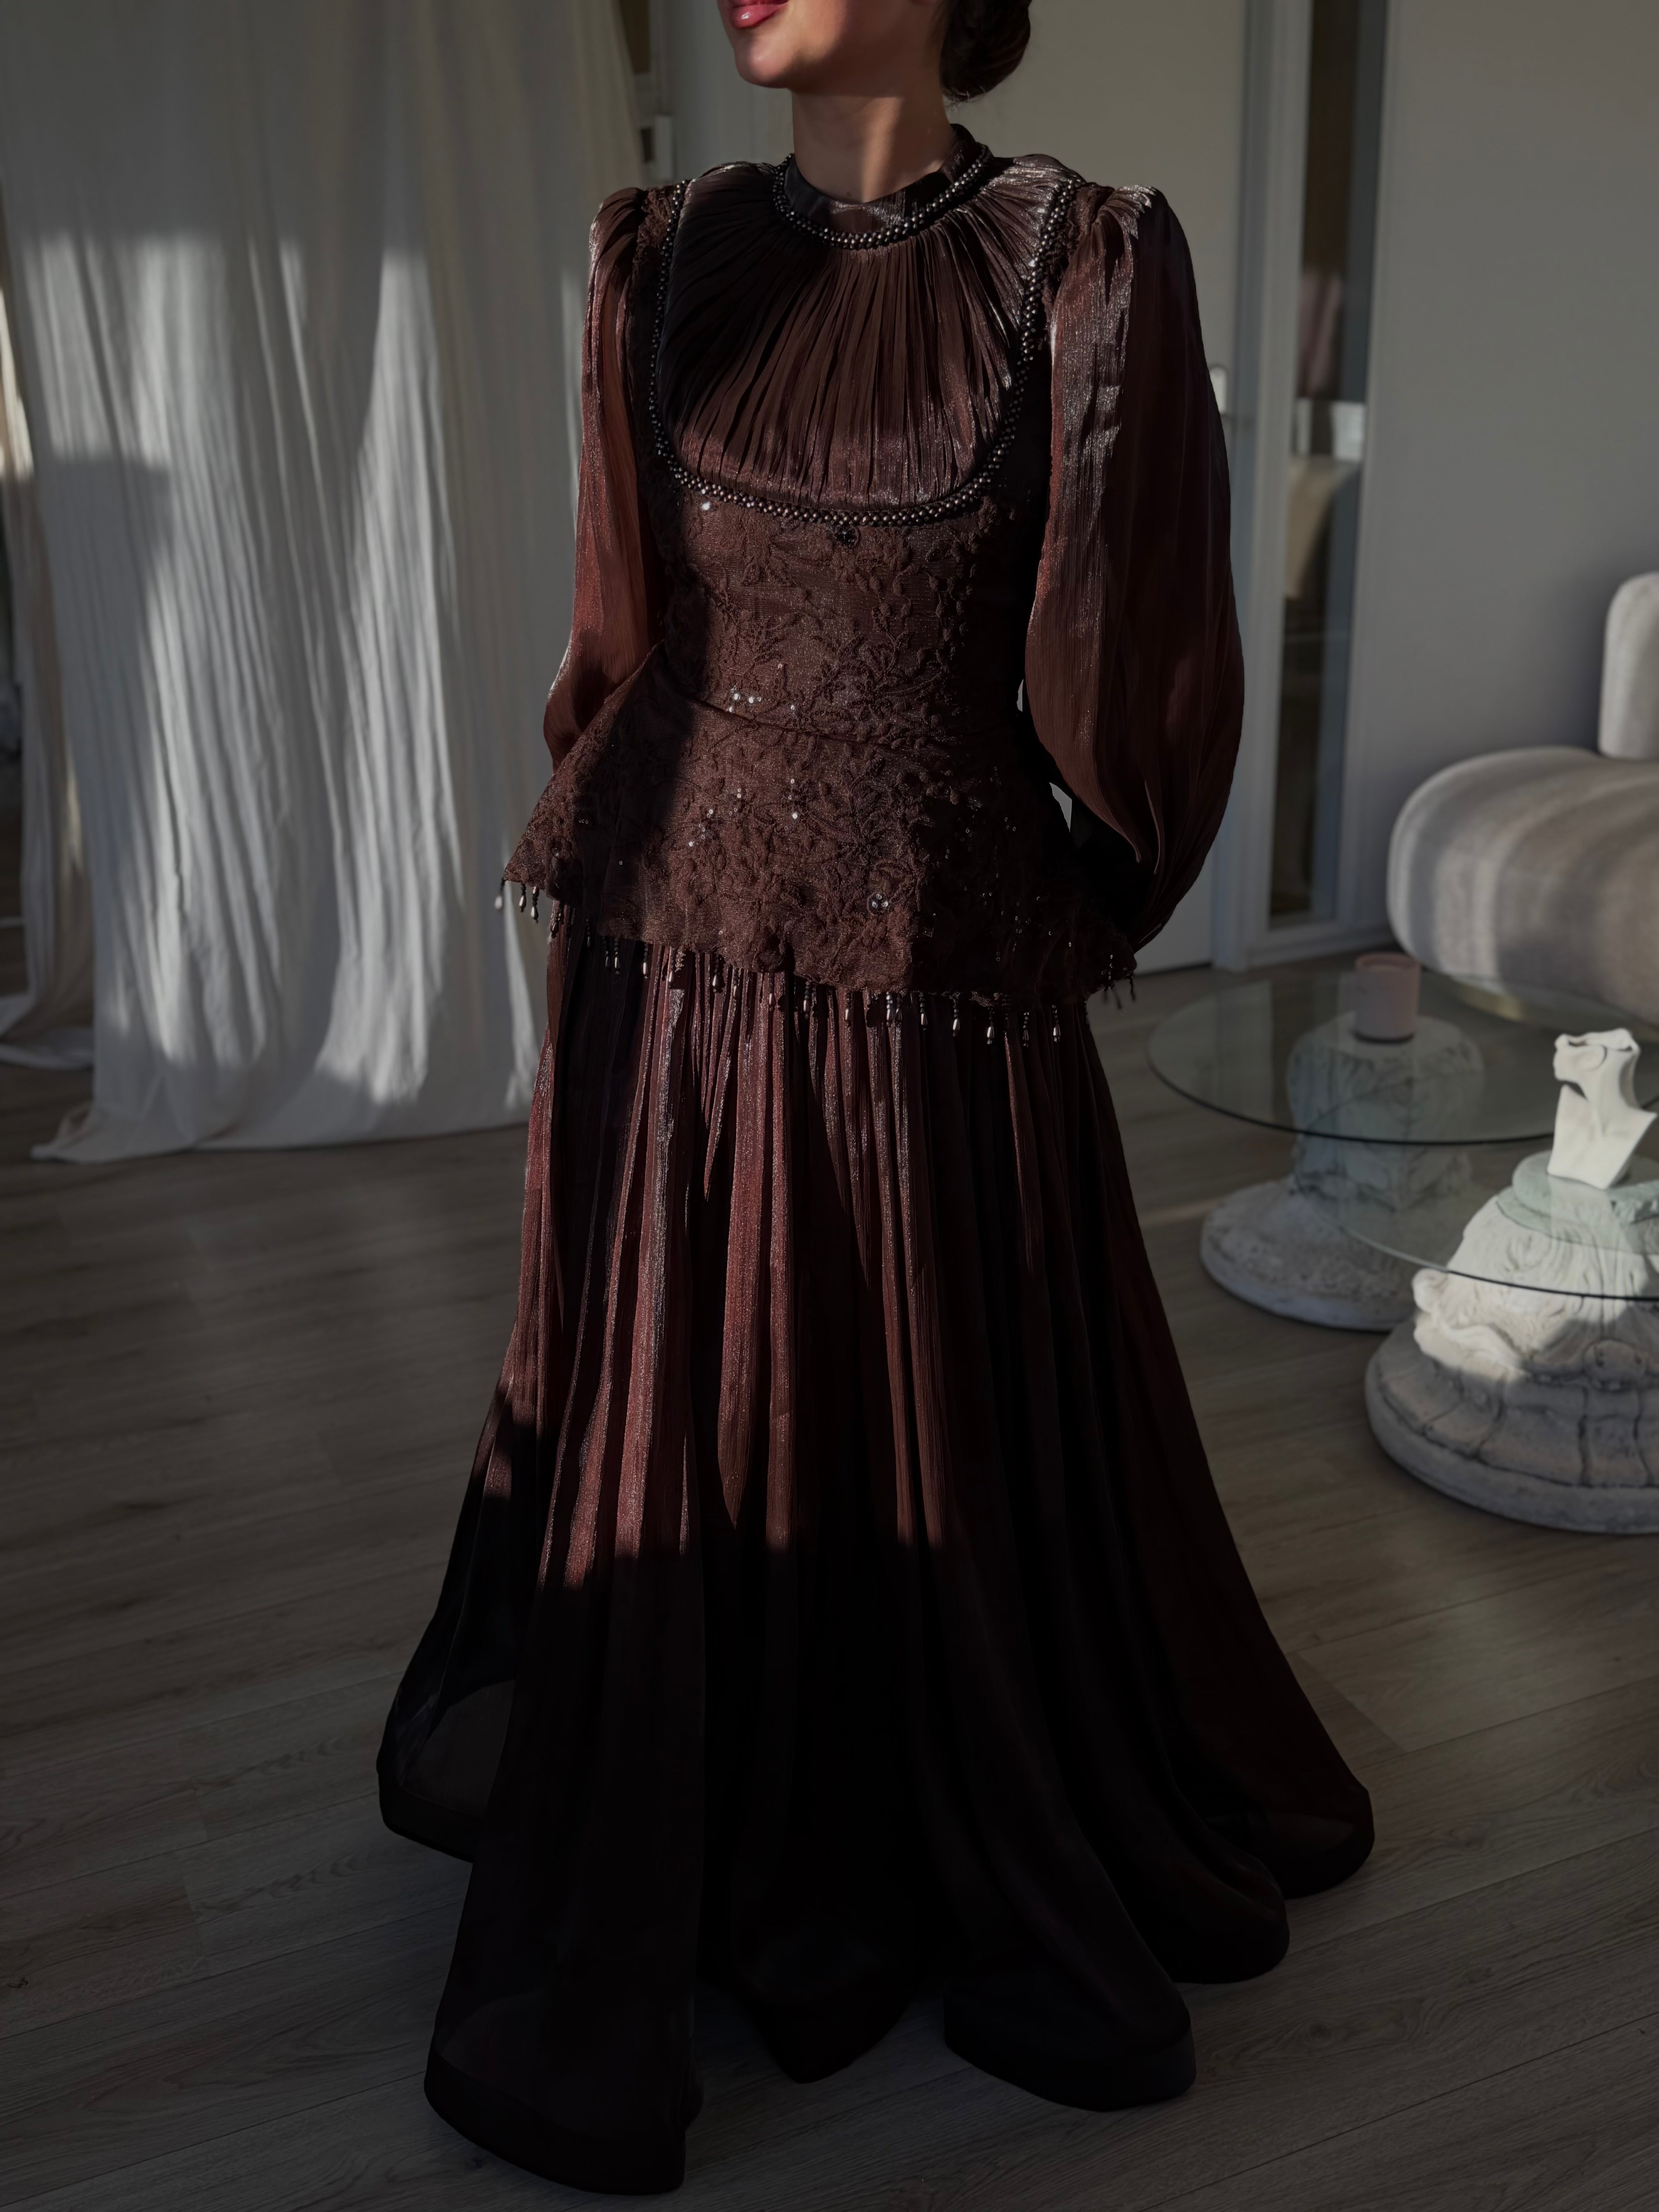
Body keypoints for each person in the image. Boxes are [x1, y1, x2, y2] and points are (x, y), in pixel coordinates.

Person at [378, 0, 1374, 2191]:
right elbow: (620, 623)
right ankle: (699, 1783)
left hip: (927, 965)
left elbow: (1151, 654)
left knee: (913, 1401)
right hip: (669, 946)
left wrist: (1044, 900)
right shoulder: (658, 253)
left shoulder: (1082, 261)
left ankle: (918, 1794)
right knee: (682, 1402)